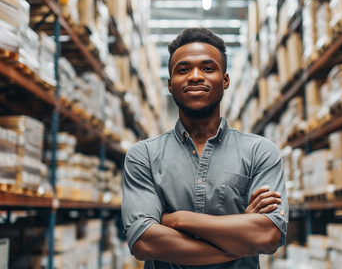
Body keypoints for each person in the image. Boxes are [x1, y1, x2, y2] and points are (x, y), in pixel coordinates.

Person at [121, 27, 288, 268]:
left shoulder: (260, 152)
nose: (195, 76)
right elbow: (145, 243)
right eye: (183, 69)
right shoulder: (143, 156)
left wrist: (180, 220)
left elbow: (268, 236)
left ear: (225, 80)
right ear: (170, 84)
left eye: (208, 68)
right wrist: (242, 234)